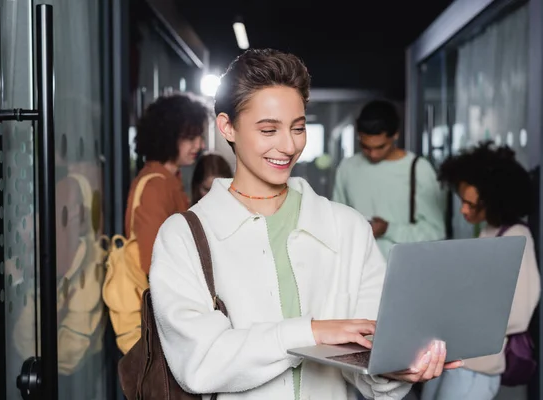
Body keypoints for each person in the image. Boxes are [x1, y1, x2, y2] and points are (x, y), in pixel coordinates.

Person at [148, 48, 461, 400]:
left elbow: (370, 362)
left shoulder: (348, 229)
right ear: (227, 127)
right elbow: (199, 363)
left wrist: (397, 369)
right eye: (269, 130)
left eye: (298, 128)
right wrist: (309, 333)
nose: (289, 146)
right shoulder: (184, 237)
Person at [422, 141, 541, 400]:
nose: (464, 210)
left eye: (472, 205)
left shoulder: (517, 236)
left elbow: (519, 313)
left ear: (494, 201)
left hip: (479, 365)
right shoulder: (488, 230)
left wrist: (458, 316)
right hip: (456, 358)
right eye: (462, 200)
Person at [332, 100, 445, 258]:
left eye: (380, 147)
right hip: (358, 272)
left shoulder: (419, 169)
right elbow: (336, 226)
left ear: (396, 134)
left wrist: (388, 229)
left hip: (404, 272)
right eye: (365, 147)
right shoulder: (347, 168)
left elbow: (436, 232)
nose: (373, 154)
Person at [126, 92, 209, 274]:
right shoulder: (155, 187)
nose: (200, 145)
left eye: (200, 137)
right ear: (168, 137)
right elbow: (153, 262)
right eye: (190, 138)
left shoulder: (168, 180)